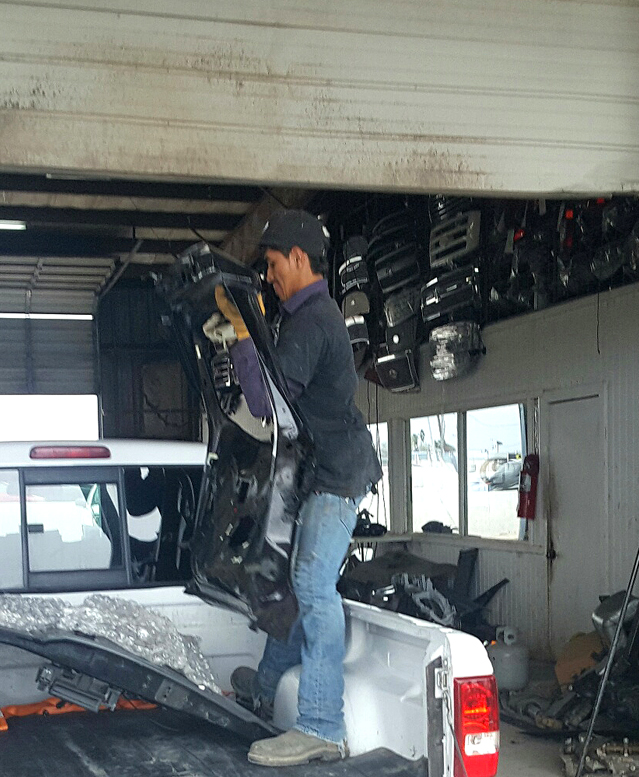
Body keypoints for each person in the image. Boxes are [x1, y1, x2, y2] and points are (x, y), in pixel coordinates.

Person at [211, 211, 383, 766]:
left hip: (338, 475)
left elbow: (268, 403)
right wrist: (249, 331)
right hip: (319, 471)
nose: (269, 275)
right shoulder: (301, 319)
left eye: (272, 264)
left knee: (311, 584)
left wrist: (243, 332)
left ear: (300, 258)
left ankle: (322, 725)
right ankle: (267, 686)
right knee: (290, 582)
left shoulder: (313, 321)